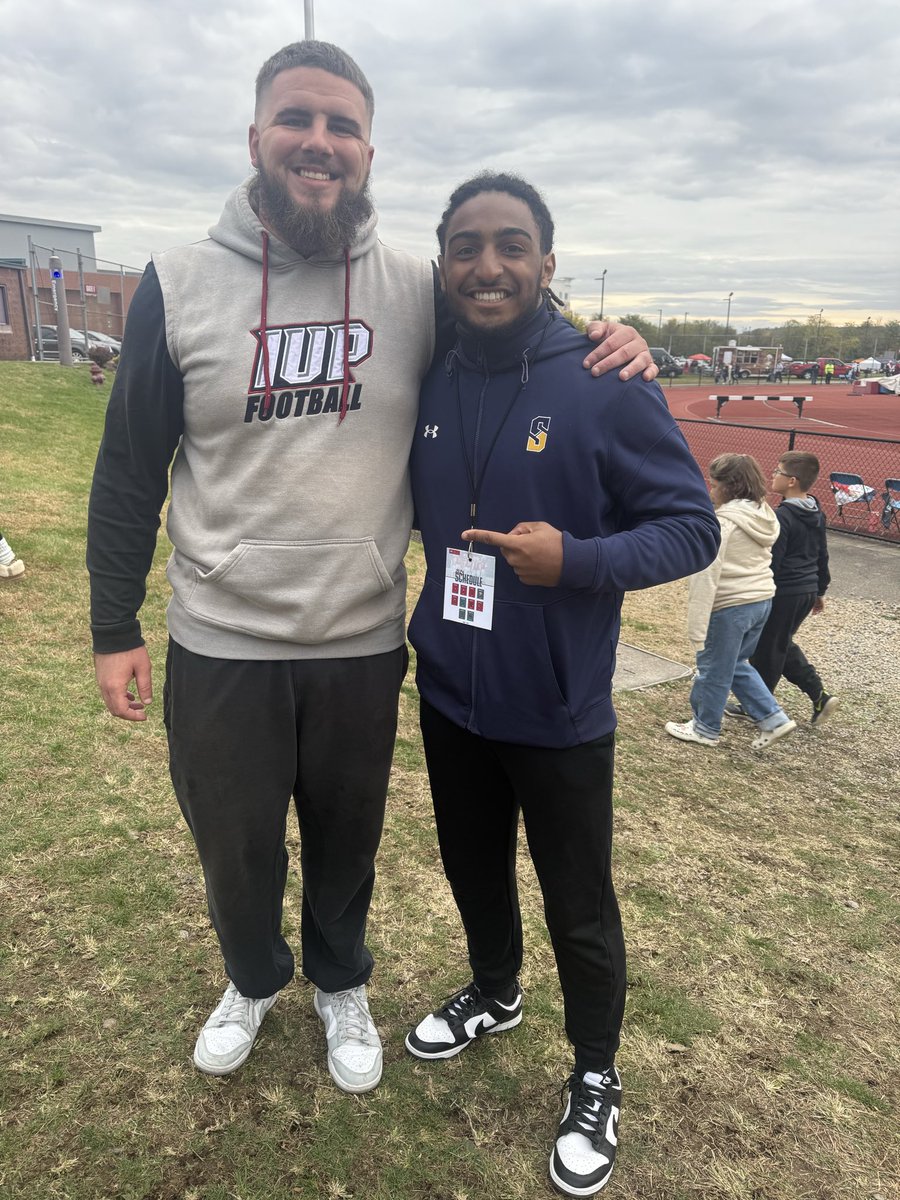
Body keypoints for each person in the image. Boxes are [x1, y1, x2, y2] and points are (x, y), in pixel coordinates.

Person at [86, 41, 655, 1094]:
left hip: (359, 640)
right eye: (297, 120)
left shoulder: (415, 286)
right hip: (221, 641)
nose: (319, 144)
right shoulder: (177, 282)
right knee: (235, 846)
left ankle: (340, 977)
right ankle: (253, 977)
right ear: (256, 138)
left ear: (367, 151)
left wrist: (606, 337)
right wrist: (111, 623)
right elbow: (129, 469)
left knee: (347, 840)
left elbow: (513, 317)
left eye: (342, 126)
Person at [404, 173, 720, 1197]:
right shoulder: (433, 366)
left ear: (548, 260)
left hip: (558, 707)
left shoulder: (606, 375)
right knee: (473, 869)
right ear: (442, 261)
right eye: (465, 246)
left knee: (577, 906)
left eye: (510, 244)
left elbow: (691, 524)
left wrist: (576, 562)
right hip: (450, 687)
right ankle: (495, 992)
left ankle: (595, 1073)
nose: (486, 265)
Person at [665, 453, 797, 751]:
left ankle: (705, 727)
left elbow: (705, 575)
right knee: (735, 663)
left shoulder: (724, 524)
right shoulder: (764, 514)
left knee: (712, 667)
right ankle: (773, 718)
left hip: (730, 605)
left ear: (729, 486)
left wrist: (697, 627)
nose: (710, 491)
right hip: (760, 599)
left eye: (714, 485)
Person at [727, 453, 838, 725]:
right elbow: (821, 554)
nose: (772, 475)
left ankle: (758, 707)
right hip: (806, 589)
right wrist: (820, 590)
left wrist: (758, 589)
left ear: (791, 481)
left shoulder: (783, 516)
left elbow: (774, 561)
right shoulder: (816, 511)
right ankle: (819, 695)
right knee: (780, 642)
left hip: (785, 591)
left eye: (777, 471)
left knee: (767, 648)